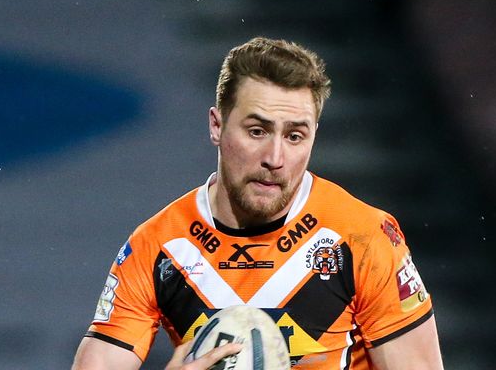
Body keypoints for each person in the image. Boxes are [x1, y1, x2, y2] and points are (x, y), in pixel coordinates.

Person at [72, 37, 444, 370]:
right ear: (216, 126)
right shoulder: (157, 247)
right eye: (257, 131)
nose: (275, 157)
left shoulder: (363, 238)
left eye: (295, 136)